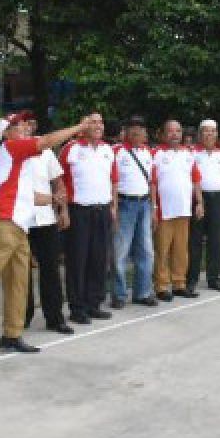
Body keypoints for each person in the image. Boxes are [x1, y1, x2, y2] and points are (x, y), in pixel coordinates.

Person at [0, 113, 89, 351]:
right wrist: (79, 127)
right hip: (4, 221)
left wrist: (53, 198)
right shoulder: (11, 148)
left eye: (23, 124)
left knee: (18, 280)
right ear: (6, 134)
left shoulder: (14, 162)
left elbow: (29, 196)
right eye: (17, 125)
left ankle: (12, 333)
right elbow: (45, 141)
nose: (23, 127)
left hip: (17, 223)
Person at [59, 112, 118, 324]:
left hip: (102, 210)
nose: (98, 125)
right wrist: (63, 210)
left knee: (99, 259)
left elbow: (113, 181)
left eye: (101, 121)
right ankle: (77, 308)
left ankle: (94, 303)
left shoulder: (108, 150)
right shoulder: (71, 148)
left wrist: (113, 207)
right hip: (79, 211)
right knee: (77, 260)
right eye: (93, 121)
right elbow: (60, 181)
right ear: (82, 126)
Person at [21, 113, 72, 335]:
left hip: (45, 218)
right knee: (21, 271)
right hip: (21, 218)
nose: (30, 127)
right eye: (25, 124)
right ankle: (21, 317)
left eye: (33, 123)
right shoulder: (9, 153)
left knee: (50, 269)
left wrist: (63, 208)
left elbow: (58, 181)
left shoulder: (46, 152)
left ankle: (54, 317)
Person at [152, 120, 202, 300]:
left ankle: (179, 283)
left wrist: (200, 202)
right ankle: (161, 286)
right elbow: (152, 182)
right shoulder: (155, 153)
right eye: (170, 131)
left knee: (181, 250)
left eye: (178, 131)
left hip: (184, 210)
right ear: (163, 134)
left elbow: (196, 179)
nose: (174, 134)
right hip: (164, 211)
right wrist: (153, 207)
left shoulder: (188, 154)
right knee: (162, 251)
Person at [111, 115, 156, 307]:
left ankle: (142, 292)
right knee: (120, 251)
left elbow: (152, 181)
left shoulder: (148, 152)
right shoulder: (116, 151)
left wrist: (154, 207)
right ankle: (119, 295)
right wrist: (113, 207)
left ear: (145, 132)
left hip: (144, 204)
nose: (137, 131)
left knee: (146, 251)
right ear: (126, 131)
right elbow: (111, 181)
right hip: (125, 204)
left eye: (141, 127)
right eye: (133, 127)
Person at [189, 120, 220, 292]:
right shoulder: (191, 153)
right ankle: (191, 279)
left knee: (216, 239)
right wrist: (198, 201)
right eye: (206, 131)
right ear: (200, 134)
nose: (210, 134)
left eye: (213, 131)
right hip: (198, 198)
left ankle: (214, 278)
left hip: (218, 198)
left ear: (217, 134)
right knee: (195, 240)